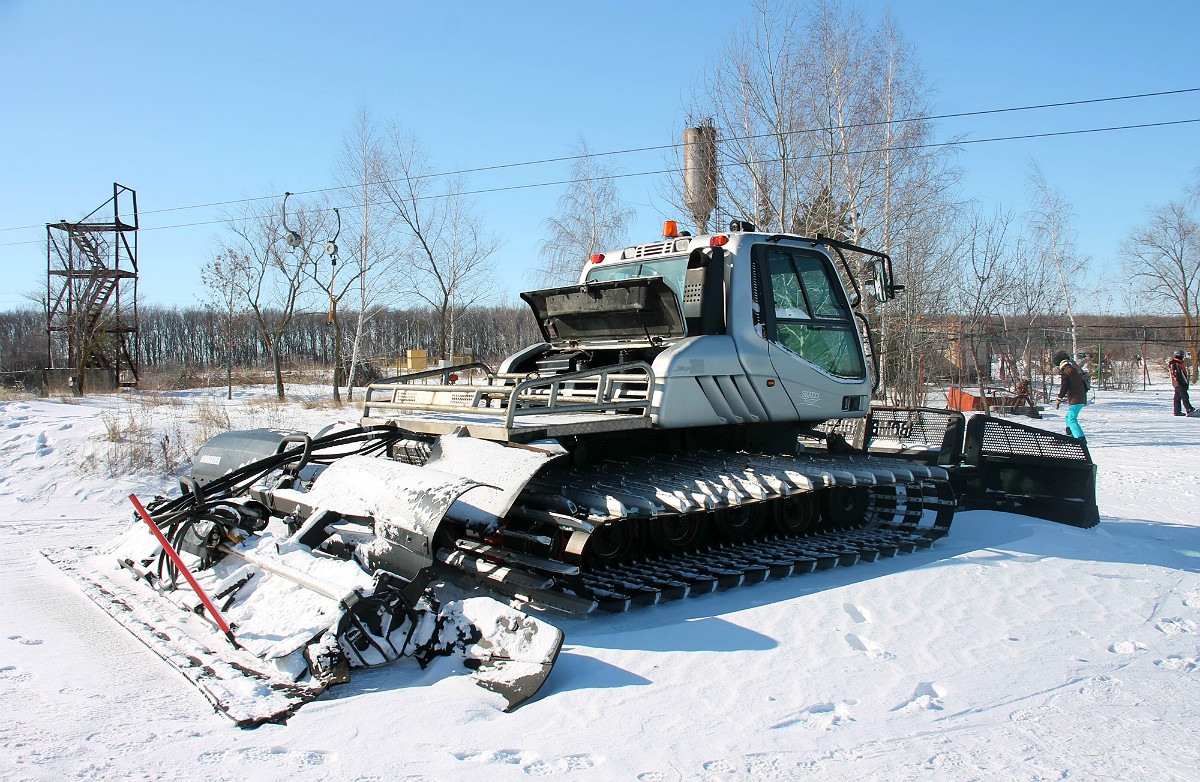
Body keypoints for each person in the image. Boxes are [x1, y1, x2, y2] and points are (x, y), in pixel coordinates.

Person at [1053, 351, 1087, 441]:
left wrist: (1058, 399)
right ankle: (1070, 435)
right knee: (1068, 417)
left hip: (1077, 399)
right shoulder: (1073, 368)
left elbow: (1065, 386)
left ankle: (1080, 438)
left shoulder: (1067, 370)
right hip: (1079, 397)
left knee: (1072, 419)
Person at [1168, 349, 1195, 416]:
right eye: (1182, 356)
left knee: (1177, 398)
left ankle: (1177, 411)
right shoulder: (1174, 364)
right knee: (1185, 396)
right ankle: (1189, 409)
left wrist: (1186, 383)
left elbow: (1183, 374)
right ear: (1178, 355)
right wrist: (1180, 383)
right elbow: (1175, 374)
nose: (1183, 357)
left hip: (1180, 383)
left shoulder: (1179, 363)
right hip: (1179, 383)